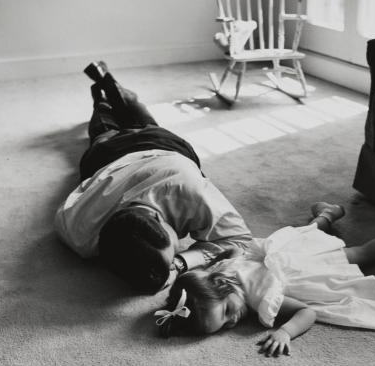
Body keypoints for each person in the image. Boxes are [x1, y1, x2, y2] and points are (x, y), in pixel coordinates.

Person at [54, 61, 252, 294]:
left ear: (158, 220)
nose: (174, 257)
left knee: (123, 125)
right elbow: (238, 239)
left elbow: (241, 239)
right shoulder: (79, 231)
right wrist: (182, 262)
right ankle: (103, 92)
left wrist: (180, 263)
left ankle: (109, 89)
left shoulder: (190, 191)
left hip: (156, 147)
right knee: (110, 123)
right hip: (114, 155)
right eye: (173, 256)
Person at [154, 202, 375, 357]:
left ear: (220, 283)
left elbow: (308, 312)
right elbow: (234, 252)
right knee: (312, 235)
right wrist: (285, 331)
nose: (233, 321)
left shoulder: (259, 297)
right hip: (297, 260)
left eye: (226, 311)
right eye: (225, 325)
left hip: (303, 262)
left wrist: (285, 330)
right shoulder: (227, 276)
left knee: (356, 252)